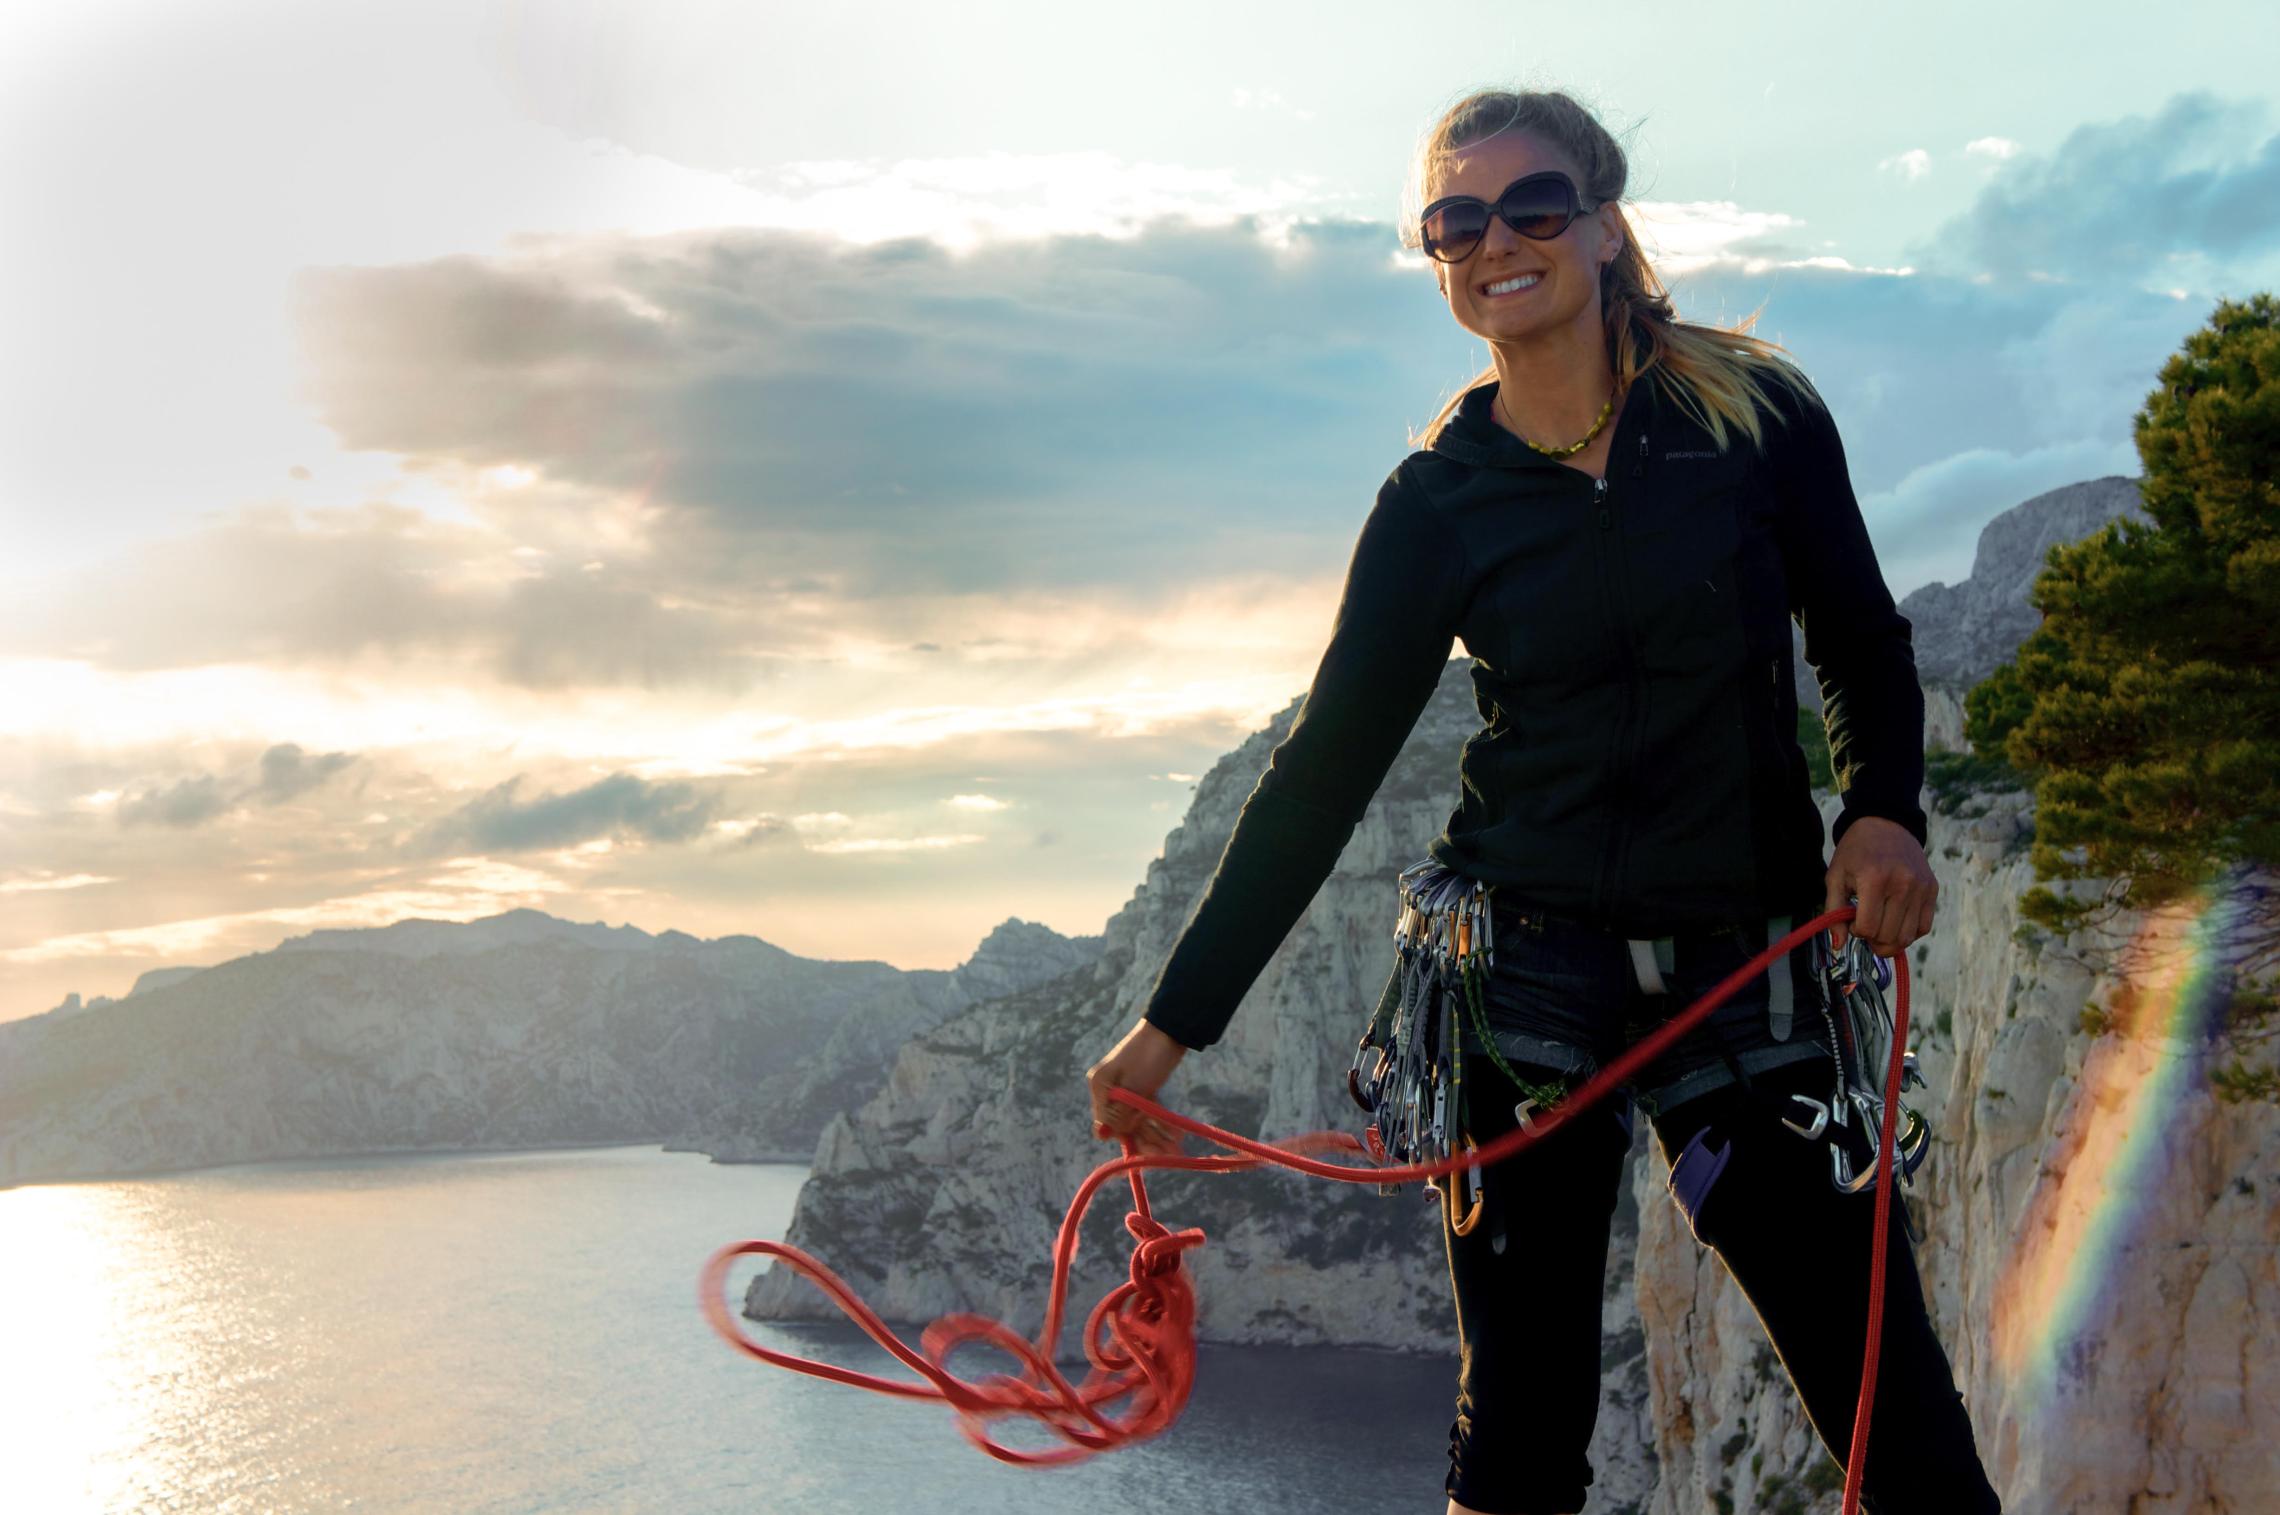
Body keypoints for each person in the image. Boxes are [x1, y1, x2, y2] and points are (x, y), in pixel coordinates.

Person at [1084, 86, 2002, 1513]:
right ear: (1437, 257)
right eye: (1456, 223)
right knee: (1518, 1434)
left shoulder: (1752, 416)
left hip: (1747, 965)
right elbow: (1323, 775)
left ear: (1605, 226)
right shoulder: (1438, 500)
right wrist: (1170, 1029)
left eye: (1532, 207)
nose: (1495, 243)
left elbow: (1862, 639)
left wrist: (1882, 812)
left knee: (1896, 1412)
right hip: (1520, 980)